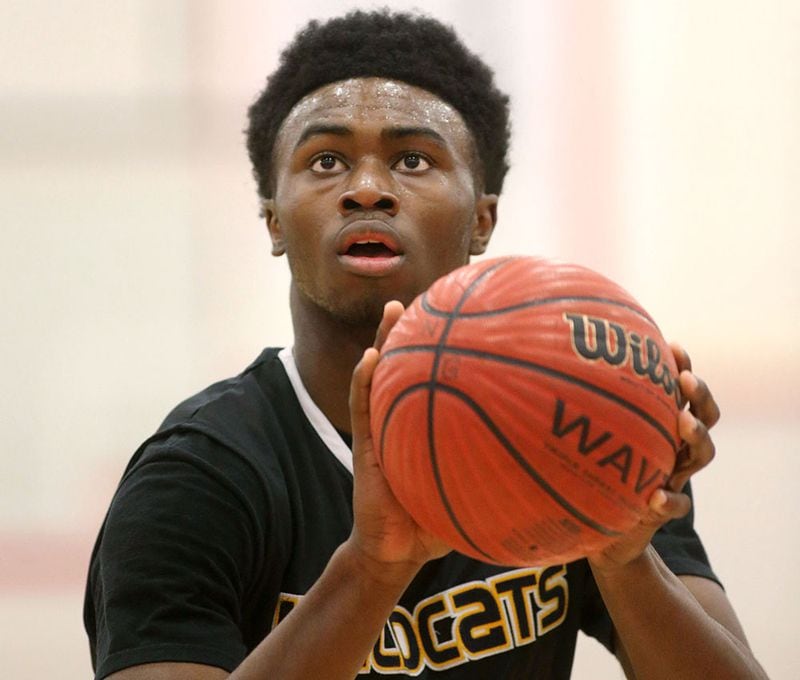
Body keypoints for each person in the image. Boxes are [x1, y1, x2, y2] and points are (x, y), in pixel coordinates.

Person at [84, 10, 767, 680]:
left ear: (482, 219)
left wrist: (622, 554)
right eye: (326, 161)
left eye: (412, 159)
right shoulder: (199, 477)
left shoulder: (577, 426)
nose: (368, 190)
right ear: (274, 221)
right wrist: (371, 569)